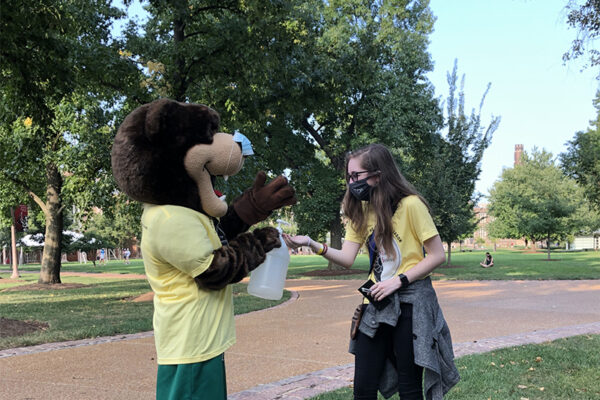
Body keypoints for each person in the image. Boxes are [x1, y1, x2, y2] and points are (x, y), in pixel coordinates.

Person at [283, 144, 459, 400]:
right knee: (363, 388)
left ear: (378, 174)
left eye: (357, 176)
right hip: (375, 303)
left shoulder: (411, 205)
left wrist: (398, 281)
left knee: (409, 388)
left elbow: (437, 255)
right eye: (349, 177)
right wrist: (312, 243)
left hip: (411, 303)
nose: (352, 183)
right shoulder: (362, 211)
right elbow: (346, 258)